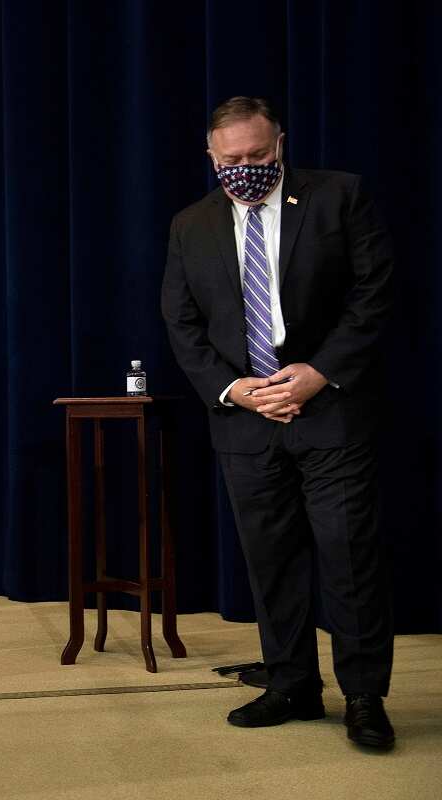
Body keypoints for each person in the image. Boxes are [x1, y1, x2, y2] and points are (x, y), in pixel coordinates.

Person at [161, 97, 396, 749]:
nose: (245, 168)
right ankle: (293, 684)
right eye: (230, 160)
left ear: (281, 144)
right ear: (211, 159)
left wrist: (319, 373)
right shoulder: (191, 224)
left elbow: (374, 293)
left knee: (348, 556)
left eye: (258, 156)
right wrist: (236, 389)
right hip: (246, 421)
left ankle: (364, 696)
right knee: (271, 560)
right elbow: (182, 322)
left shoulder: (339, 197)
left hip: (331, 410)